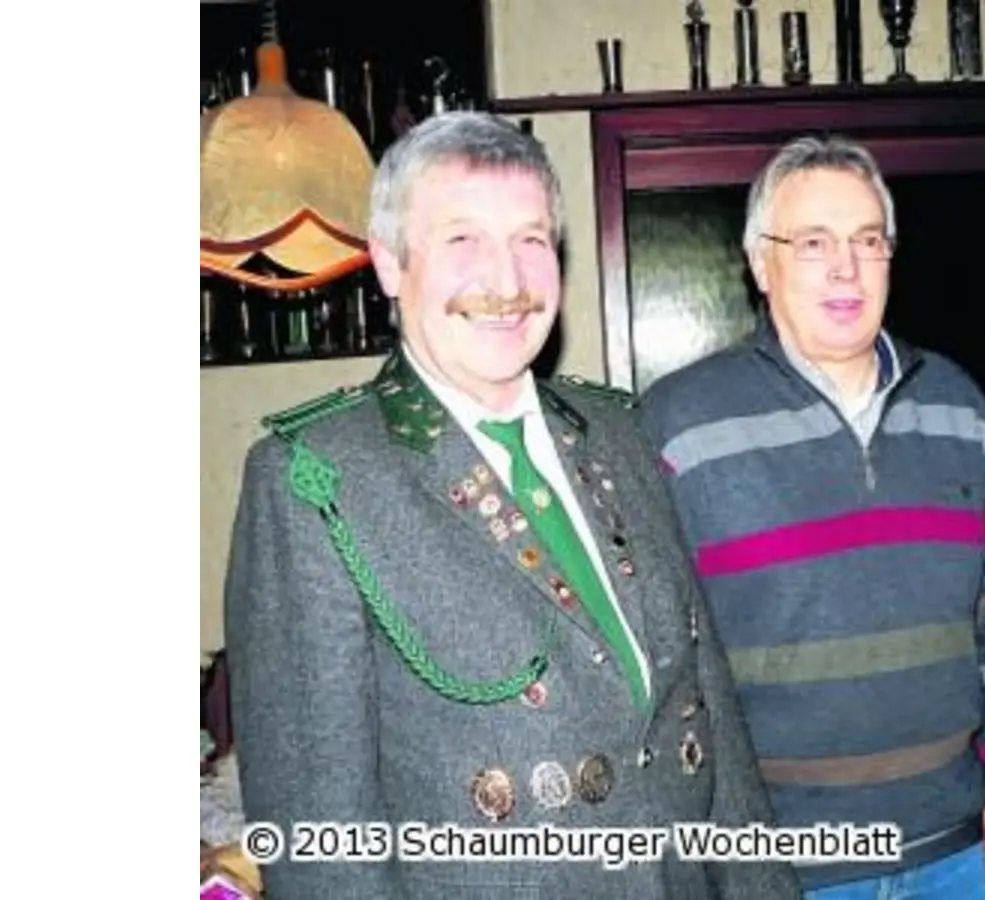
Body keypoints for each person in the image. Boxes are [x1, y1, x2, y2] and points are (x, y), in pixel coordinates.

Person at [224, 112, 800, 899]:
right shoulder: (316, 477)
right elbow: (323, 849)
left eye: (531, 239)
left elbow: (715, 736)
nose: (507, 281)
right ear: (391, 264)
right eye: (463, 240)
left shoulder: (623, 433)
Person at [639, 134, 985, 899]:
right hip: (780, 865)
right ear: (760, 264)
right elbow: (659, 666)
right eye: (813, 242)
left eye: (868, 241)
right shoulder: (679, 425)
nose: (847, 267)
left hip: (951, 853)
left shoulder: (959, 407)